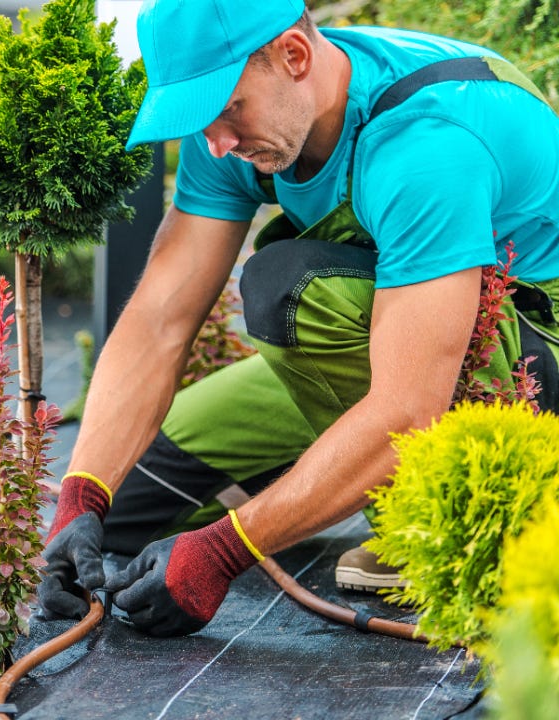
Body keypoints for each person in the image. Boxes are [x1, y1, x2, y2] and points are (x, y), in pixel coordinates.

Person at [38, 0, 559, 636]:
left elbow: (408, 406)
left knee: (289, 288)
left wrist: (226, 549)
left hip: (521, 357)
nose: (218, 142)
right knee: (122, 512)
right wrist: (80, 498)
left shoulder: (425, 144)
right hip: (391, 340)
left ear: (294, 56)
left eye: (229, 109)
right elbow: (158, 321)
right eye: (201, 119)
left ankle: (422, 526)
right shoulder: (238, 124)